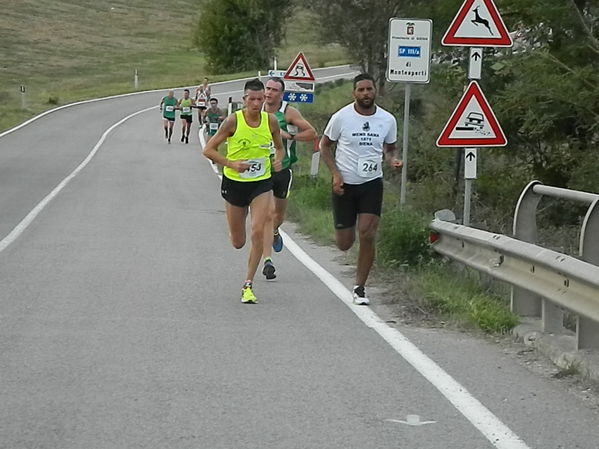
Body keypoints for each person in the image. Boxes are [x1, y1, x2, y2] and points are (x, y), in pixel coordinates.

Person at [319, 73, 403, 305]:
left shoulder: (387, 120)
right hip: (345, 184)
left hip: (371, 183)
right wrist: (335, 175)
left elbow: (390, 148)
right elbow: (324, 146)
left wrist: (392, 160)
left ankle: (360, 287)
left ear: (375, 91)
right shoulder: (341, 117)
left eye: (369, 89)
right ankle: (345, 230)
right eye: (361, 90)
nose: (366, 94)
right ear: (354, 93)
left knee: (367, 232)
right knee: (345, 243)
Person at [203, 78, 284, 304]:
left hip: (261, 183)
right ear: (244, 99)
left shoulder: (271, 122)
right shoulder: (233, 121)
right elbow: (208, 150)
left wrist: (279, 160)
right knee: (238, 241)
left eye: (261, 99)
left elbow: (279, 148)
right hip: (235, 184)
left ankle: (248, 285)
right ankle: (236, 230)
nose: (257, 104)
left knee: (258, 230)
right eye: (252, 99)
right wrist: (231, 164)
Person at [260, 77, 317, 280]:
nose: (269, 93)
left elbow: (312, 133)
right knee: (266, 215)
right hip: (261, 171)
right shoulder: (256, 109)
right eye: (267, 88)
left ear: (281, 94)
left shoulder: (288, 112)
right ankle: (268, 261)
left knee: (278, 216)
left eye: (274, 90)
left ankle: (275, 230)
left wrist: (289, 136)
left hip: (283, 170)